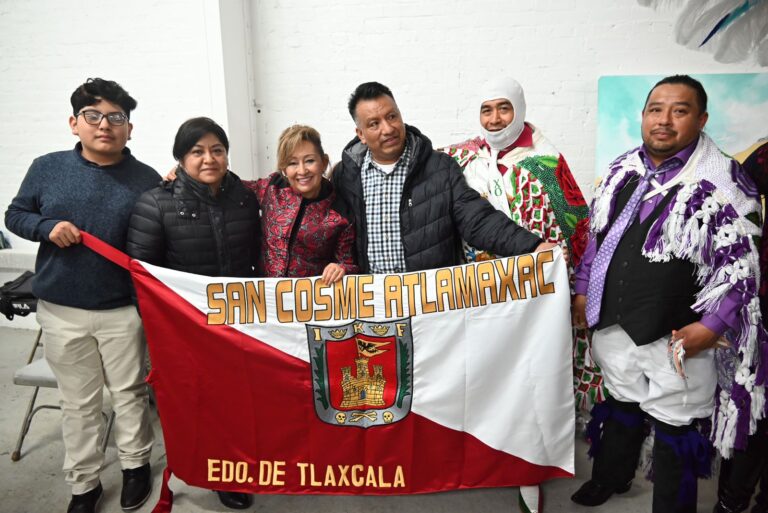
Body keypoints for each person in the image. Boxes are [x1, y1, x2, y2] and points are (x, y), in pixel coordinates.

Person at [570, 75, 767, 513]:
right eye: (655, 109)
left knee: (675, 426)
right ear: (643, 116)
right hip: (616, 320)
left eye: (679, 111)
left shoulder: (725, 182)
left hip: (680, 334)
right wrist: (584, 290)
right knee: (620, 400)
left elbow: (742, 268)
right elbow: (598, 239)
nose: (664, 120)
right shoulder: (623, 167)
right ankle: (611, 476)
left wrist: (710, 326)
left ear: (701, 118)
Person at [4, 78, 157, 513]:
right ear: (75, 123)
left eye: (116, 117)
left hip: (123, 311)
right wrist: (45, 227)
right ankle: (84, 483)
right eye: (93, 116)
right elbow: (15, 214)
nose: (104, 125)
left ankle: (135, 466)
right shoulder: (47, 167)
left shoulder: (145, 179)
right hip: (61, 309)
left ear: (130, 128)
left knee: (129, 393)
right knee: (79, 402)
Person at [444, 76, 593, 513]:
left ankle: (527, 469)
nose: (495, 119)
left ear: (520, 109)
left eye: (503, 109)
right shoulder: (459, 159)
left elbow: (578, 229)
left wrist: (579, 290)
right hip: (478, 294)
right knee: (481, 374)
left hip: (534, 299)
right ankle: (481, 455)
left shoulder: (547, 161)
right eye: (486, 110)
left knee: (529, 380)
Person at [125, 117, 260, 510]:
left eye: (217, 150)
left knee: (236, 401)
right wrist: (165, 328)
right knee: (195, 406)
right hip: (184, 330)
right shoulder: (155, 203)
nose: (208, 158)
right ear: (180, 158)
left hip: (237, 322)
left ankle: (233, 472)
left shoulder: (244, 197)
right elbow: (142, 277)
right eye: (197, 151)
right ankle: (204, 470)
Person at [331, 81, 555, 276]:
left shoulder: (438, 167)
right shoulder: (346, 175)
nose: (388, 128)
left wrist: (533, 247)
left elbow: (477, 220)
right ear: (360, 134)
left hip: (431, 307)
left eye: (392, 116)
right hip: (374, 306)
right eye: (374, 124)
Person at [712, 139, 768, 513]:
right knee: (753, 404)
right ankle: (732, 500)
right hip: (762, 301)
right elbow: (736, 210)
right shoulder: (763, 157)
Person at [243, 124, 358, 282]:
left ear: (323, 162)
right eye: (292, 163)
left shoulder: (340, 212)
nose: (302, 171)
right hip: (265, 298)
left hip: (309, 301)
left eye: (309, 161)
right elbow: (235, 188)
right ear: (284, 168)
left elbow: (349, 263)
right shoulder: (271, 187)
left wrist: (341, 268)